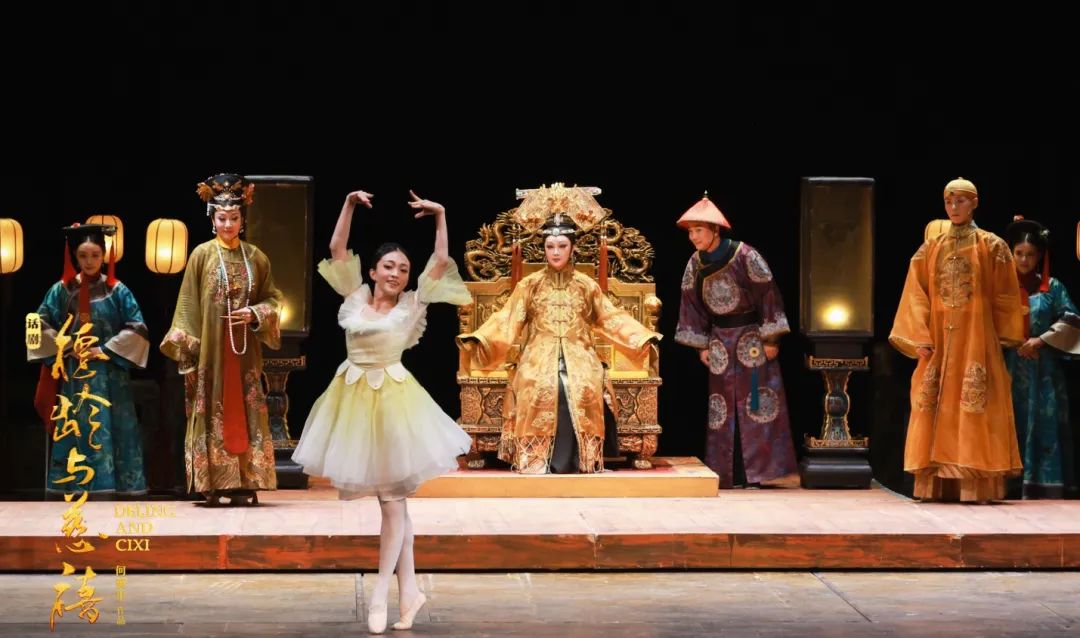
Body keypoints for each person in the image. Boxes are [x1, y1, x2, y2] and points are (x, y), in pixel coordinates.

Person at [292, 188, 472, 634]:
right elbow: (336, 248)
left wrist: (441, 215)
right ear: (372, 271)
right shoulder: (354, 298)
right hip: (352, 402)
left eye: (403, 269)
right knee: (396, 506)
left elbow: (440, 261)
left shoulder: (412, 306)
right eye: (389, 266)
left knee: (392, 503)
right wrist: (348, 204)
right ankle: (410, 592)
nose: (396, 273)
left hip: (394, 405)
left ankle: (379, 594)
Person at [458, 212, 661, 474]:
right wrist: (481, 339)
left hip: (580, 354)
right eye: (550, 246)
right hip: (538, 355)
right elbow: (508, 319)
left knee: (584, 385)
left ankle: (582, 460)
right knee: (538, 383)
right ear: (543, 248)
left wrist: (641, 337)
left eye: (562, 246)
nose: (555, 252)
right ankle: (536, 459)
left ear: (573, 248)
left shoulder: (586, 285)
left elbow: (609, 317)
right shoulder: (530, 285)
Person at [889, 177, 1025, 502]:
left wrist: (1002, 335)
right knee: (932, 402)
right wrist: (918, 335)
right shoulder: (931, 247)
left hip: (976, 338)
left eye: (960, 201)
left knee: (973, 402)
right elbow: (915, 293)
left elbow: (1006, 295)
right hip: (938, 338)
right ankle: (933, 484)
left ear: (974, 203)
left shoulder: (992, 246)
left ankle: (973, 486)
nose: (953, 207)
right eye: (949, 201)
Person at [160, 173, 283, 506]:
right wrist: (190, 351)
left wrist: (255, 313)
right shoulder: (201, 255)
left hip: (244, 352)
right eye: (222, 218)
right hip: (211, 351)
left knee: (245, 405)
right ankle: (212, 482)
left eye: (234, 218)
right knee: (213, 406)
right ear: (212, 219)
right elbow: (188, 303)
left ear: (243, 220)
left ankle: (247, 479)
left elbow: (274, 299)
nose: (228, 224)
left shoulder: (256, 257)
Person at [673, 194, 797, 488]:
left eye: (698, 230)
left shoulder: (745, 255)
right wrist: (702, 344)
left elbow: (768, 294)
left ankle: (760, 473)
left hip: (751, 338)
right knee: (722, 407)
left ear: (715, 229)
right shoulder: (695, 263)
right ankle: (729, 472)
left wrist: (771, 338)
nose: (693, 237)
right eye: (690, 232)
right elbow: (690, 304)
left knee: (756, 400)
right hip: (719, 341)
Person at [30, 222, 150, 496]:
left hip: (111, 375)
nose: (89, 261)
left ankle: (118, 487)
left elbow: (138, 328)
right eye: (83, 255)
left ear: (104, 256)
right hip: (75, 375)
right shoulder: (61, 290)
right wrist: (66, 345)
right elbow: (36, 326)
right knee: (79, 427)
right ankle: (76, 486)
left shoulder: (117, 290)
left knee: (115, 426)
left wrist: (105, 349)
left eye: (95, 255)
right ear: (74, 256)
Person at [1003, 217, 1077, 498]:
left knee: (1046, 425)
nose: (1024, 260)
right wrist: (1012, 342)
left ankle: (1045, 486)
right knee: (1011, 423)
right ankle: (1008, 485)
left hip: (1044, 371)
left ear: (1040, 256)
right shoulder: (1001, 288)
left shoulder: (1053, 288)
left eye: (1030, 254)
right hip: (1009, 368)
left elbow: (1072, 320)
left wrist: (1041, 340)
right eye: (1019, 253)